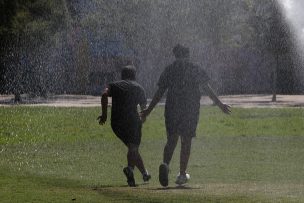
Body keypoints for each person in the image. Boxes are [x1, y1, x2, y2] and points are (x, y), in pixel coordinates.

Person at [141, 44, 231, 187]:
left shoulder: (170, 69)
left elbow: (159, 93)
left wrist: (148, 110)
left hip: (172, 109)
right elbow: (207, 88)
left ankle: (165, 164)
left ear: (175, 55)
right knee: (186, 141)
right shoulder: (194, 68)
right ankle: (182, 174)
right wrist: (220, 105)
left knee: (171, 139)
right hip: (190, 110)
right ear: (188, 55)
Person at [97, 65, 151, 187]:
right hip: (132, 122)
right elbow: (144, 109)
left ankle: (143, 173)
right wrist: (142, 119)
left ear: (122, 75)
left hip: (116, 123)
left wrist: (104, 115)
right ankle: (131, 170)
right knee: (133, 148)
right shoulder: (139, 88)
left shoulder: (113, 85)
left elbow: (104, 95)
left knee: (132, 148)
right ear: (134, 76)